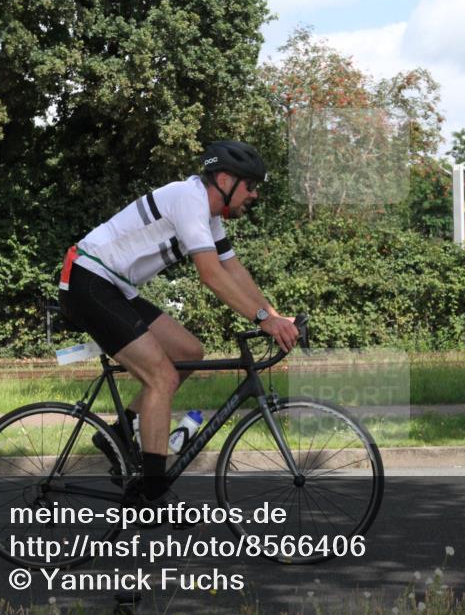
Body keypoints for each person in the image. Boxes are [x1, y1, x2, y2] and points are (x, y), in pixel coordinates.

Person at [57, 140, 299, 509]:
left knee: (189, 352)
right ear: (224, 179)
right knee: (162, 378)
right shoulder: (189, 200)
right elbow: (211, 275)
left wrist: (275, 315)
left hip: (113, 285)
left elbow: (232, 268)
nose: (254, 195)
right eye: (250, 186)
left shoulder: (209, 214)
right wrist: (263, 319)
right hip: (89, 281)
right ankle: (153, 492)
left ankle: (119, 434)